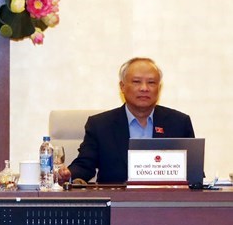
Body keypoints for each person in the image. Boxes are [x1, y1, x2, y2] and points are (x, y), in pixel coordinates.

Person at [58, 57, 195, 184]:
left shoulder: (179, 123)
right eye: (136, 82)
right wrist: (68, 174)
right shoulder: (100, 125)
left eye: (151, 83)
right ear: (122, 87)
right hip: (117, 205)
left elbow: (193, 171)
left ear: (159, 88)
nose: (144, 88)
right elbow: (85, 165)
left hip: (167, 204)